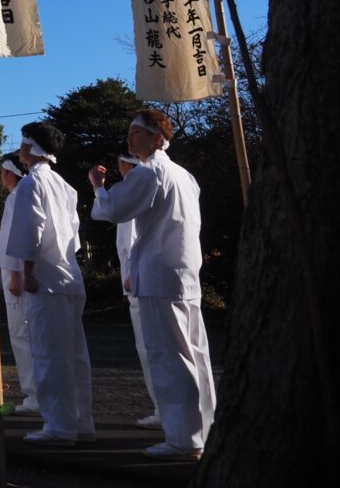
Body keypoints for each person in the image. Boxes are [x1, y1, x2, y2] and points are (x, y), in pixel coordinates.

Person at [89, 108, 215, 461]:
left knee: (170, 357)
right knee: (195, 354)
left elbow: (114, 209)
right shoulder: (184, 175)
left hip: (160, 274)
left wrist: (99, 187)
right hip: (185, 272)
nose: (130, 138)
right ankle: (204, 429)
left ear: (157, 139)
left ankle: (184, 439)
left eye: (137, 133)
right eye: (129, 132)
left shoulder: (150, 173)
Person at [5, 121, 95, 446]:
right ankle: (82, 422)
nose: (19, 149)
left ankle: (59, 426)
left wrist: (27, 272)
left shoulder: (31, 184)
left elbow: (32, 231)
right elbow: (71, 236)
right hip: (69, 276)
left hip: (45, 278)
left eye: (22, 143)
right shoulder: (64, 185)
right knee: (74, 354)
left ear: (32, 147)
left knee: (48, 353)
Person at [110, 151, 161, 431]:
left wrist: (129, 275)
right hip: (145, 277)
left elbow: (131, 241)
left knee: (150, 346)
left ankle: (163, 409)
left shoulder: (136, 187)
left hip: (140, 280)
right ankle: (164, 408)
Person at [0, 152, 39, 416]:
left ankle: (34, 395)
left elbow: (17, 238)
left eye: (1, 171)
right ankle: (36, 393)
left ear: (10, 174)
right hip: (20, 273)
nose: (0, 176)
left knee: (23, 336)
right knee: (27, 336)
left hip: (18, 275)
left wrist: (14, 274)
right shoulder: (20, 195)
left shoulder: (17, 197)